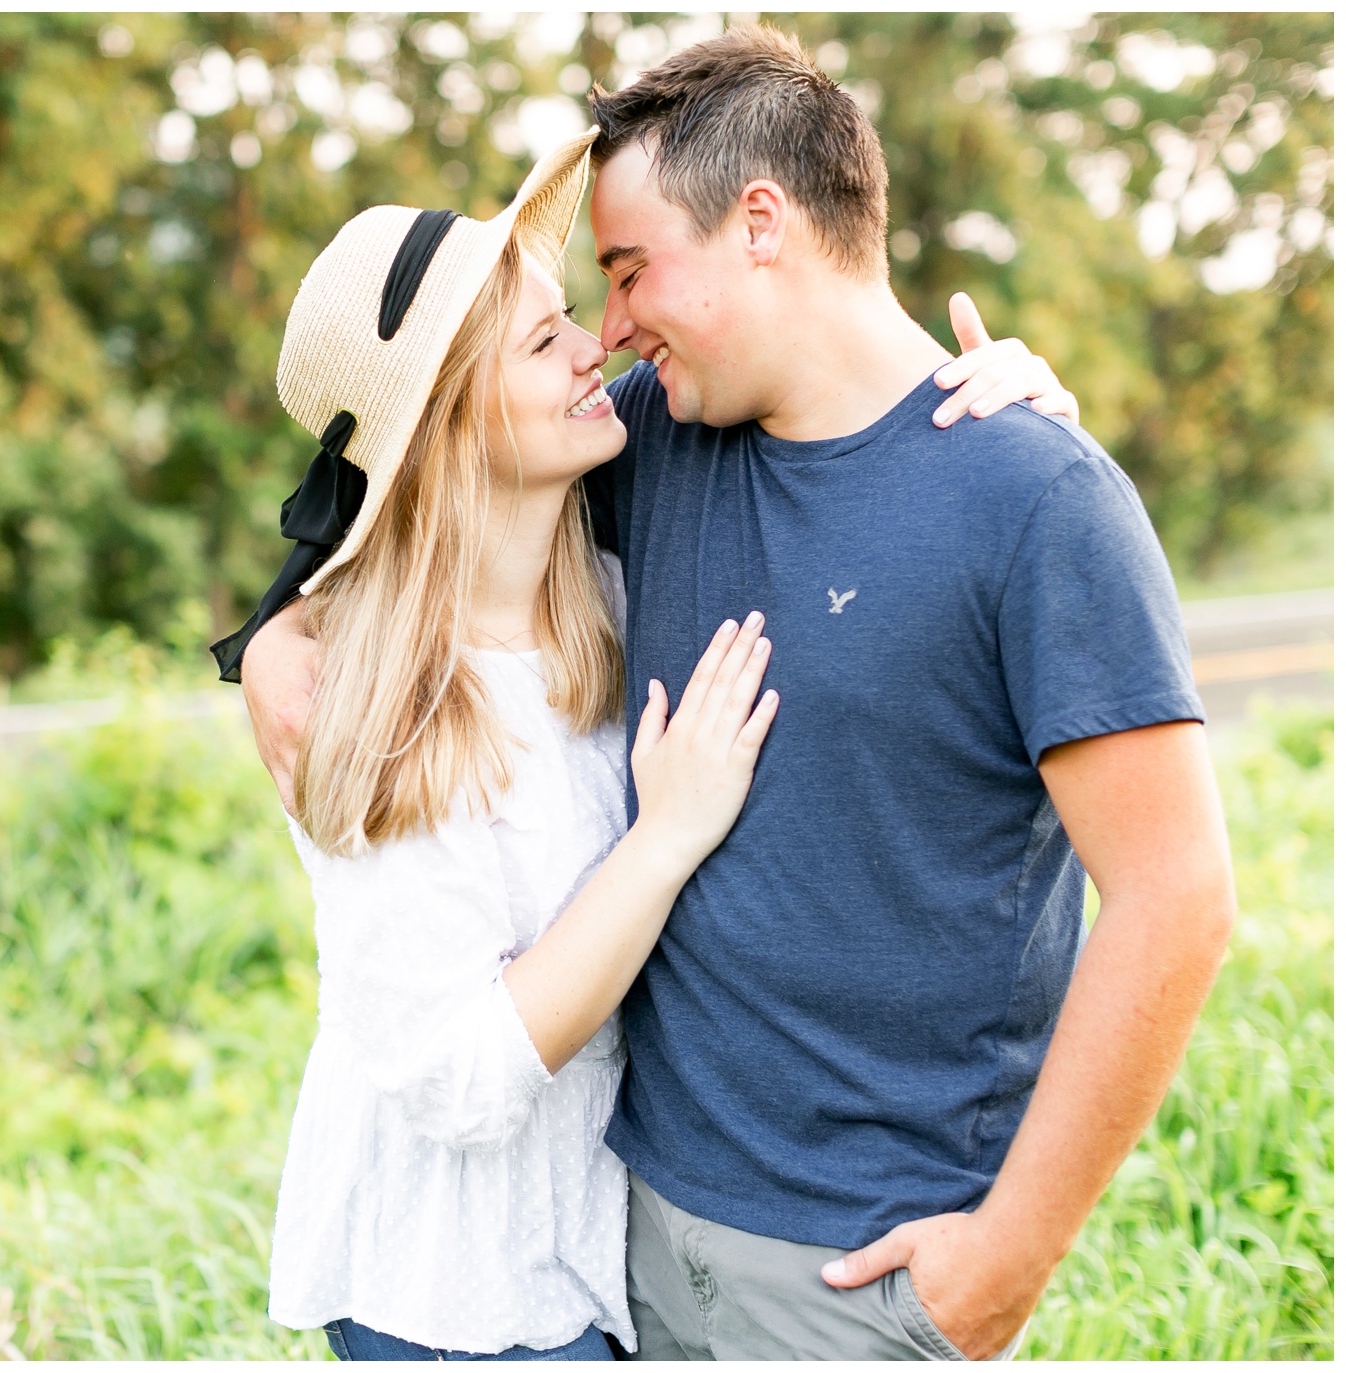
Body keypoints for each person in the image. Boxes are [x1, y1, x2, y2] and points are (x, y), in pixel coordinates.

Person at [232, 26, 1234, 1363]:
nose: (611, 330)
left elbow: (1179, 895)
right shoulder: (654, 436)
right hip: (624, 1238)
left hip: (855, 1274)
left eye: (633, 269)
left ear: (761, 223)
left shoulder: (1033, 494)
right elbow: (418, 498)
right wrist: (273, 638)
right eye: (592, 298)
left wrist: (1012, 1250)